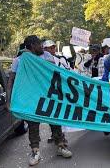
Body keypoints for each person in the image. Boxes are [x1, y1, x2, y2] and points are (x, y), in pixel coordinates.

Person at [6, 35, 72, 166]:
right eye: (38, 44)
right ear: (31, 45)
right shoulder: (19, 61)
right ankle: (35, 151)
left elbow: (54, 74)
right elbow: (11, 81)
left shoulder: (47, 56)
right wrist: (9, 100)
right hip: (30, 99)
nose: (42, 47)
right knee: (33, 125)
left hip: (48, 96)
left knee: (55, 120)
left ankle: (61, 145)